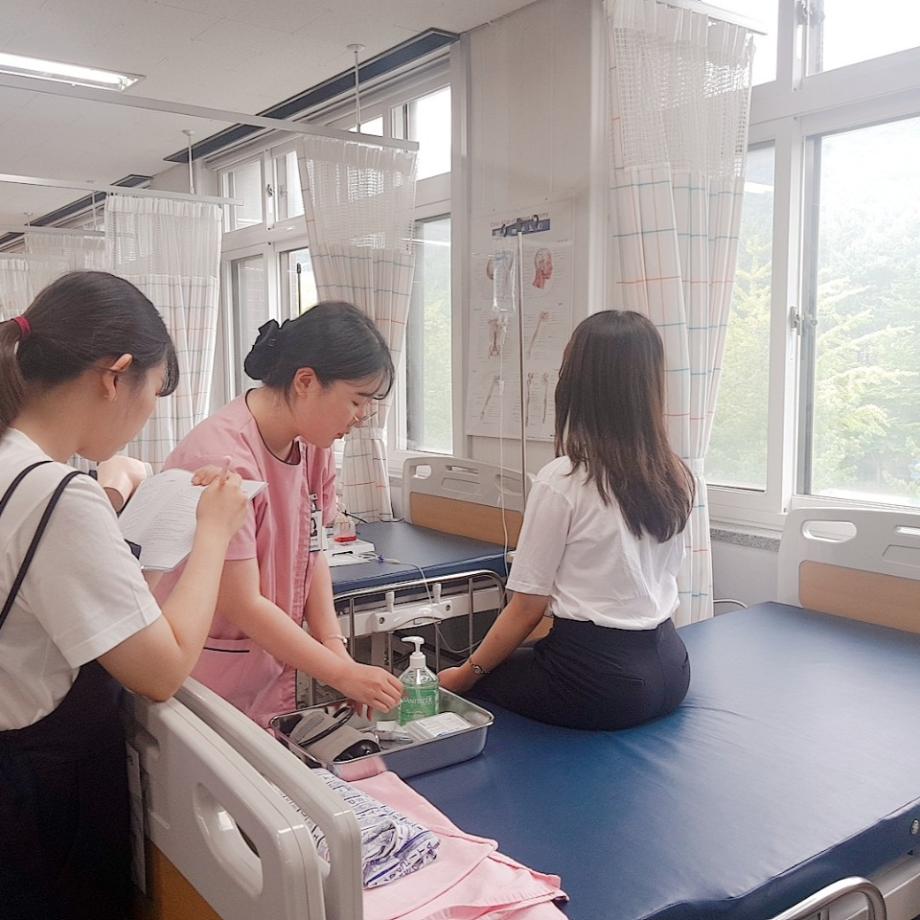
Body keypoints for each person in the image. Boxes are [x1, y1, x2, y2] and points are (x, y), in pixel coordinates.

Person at [0, 271, 248, 920]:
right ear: (115, 377)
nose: (149, 414)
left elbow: (65, 593)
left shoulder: (14, 463)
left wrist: (127, 510)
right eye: (154, 392)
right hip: (39, 801)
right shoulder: (57, 494)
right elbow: (161, 671)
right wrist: (213, 532)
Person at [440, 310, 695, 731]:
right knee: (521, 659)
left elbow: (527, 608)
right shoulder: (674, 474)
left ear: (579, 382)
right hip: (672, 667)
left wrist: (463, 676)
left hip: (602, 683)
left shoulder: (565, 479)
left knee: (477, 680)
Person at [155, 303, 404, 727]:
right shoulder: (220, 457)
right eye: (356, 400)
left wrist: (336, 649)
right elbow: (243, 603)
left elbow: (313, 551)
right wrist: (341, 674)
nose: (361, 417)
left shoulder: (312, 446)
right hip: (204, 676)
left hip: (265, 672)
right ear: (306, 381)